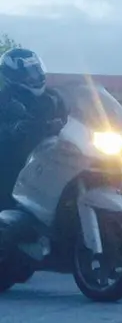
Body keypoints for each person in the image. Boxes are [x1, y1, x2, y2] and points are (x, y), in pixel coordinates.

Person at [0, 48, 67, 209]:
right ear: (12, 77)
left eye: (36, 71)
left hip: (51, 162)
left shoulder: (54, 97)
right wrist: (16, 128)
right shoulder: (5, 100)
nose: (34, 77)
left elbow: (75, 114)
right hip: (16, 166)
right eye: (27, 74)